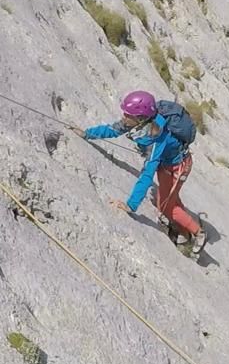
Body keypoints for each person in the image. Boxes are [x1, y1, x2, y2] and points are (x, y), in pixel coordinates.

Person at [76, 90, 206, 258]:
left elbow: (147, 173)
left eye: (127, 114)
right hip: (166, 164)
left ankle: (198, 232)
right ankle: (182, 232)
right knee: (169, 198)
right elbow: (113, 130)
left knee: (166, 206)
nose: (124, 116)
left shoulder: (158, 138)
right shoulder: (136, 123)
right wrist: (87, 134)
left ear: (141, 118)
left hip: (178, 166)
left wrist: (131, 205)